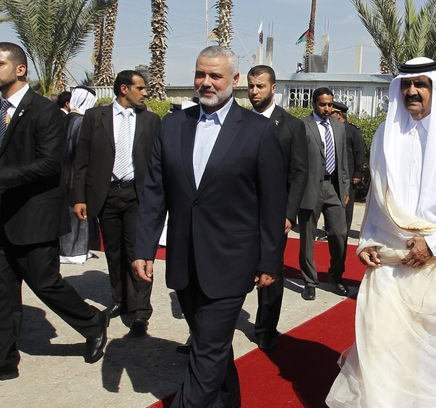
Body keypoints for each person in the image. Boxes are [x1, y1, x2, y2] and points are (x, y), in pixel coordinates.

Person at [133, 46, 287, 407]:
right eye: (200, 74)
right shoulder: (173, 125)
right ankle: (228, 401)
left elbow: (272, 203)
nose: (206, 82)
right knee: (206, 340)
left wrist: (270, 261)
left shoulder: (259, 131)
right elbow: (155, 192)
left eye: (215, 76)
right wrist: (144, 247)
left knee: (208, 348)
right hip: (185, 259)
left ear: (234, 80)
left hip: (233, 260)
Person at [326, 57, 436, 407]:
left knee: (428, 355)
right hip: (389, 261)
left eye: (421, 85)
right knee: (380, 343)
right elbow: (378, 199)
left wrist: (434, 243)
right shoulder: (386, 132)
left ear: (435, 88)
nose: (412, 91)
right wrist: (366, 240)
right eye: (406, 85)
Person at [0, 42, 108, 380]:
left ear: (20, 69)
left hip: (33, 215)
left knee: (45, 283)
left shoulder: (44, 112)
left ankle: (92, 323)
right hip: (1, 216)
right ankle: (5, 360)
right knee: (3, 292)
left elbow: (49, 164)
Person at [73, 70, 161, 335]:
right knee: (113, 252)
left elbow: (158, 163)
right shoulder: (94, 117)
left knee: (138, 252)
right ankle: (120, 301)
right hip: (106, 194)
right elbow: (82, 159)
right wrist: (79, 197)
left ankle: (140, 312)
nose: (145, 92)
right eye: (141, 88)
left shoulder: (151, 120)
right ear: (124, 89)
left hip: (137, 195)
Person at [247, 64, 309, 353]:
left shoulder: (292, 126)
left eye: (260, 86)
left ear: (273, 88)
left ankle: (266, 328)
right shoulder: (239, 122)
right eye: (250, 86)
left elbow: (298, 173)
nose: (254, 91)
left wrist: (288, 213)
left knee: (271, 271)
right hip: (240, 213)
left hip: (275, 215)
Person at [297, 88, 350, 301]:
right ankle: (309, 281)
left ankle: (336, 276)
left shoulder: (339, 127)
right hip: (309, 189)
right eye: (322, 104)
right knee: (307, 238)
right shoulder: (302, 126)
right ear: (314, 104)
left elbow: (343, 160)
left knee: (339, 234)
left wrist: (344, 188)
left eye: (329, 104)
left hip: (333, 189)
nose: (327, 108)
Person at [59, 87, 98, 265]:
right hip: (77, 175)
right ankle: (76, 251)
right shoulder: (82, 122)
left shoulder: (65, 119)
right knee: (79, 217)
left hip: (62, 175)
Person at [331, 101, 365, 235]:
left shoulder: (352, 130)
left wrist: (357, 173)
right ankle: (333, 231)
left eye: (332, 112)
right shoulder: (331, 128)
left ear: (339, 114)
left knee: (347, 205)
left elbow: (359, 153)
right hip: (332, 173)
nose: (329, 114)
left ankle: (344, 231)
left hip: (348, 174)